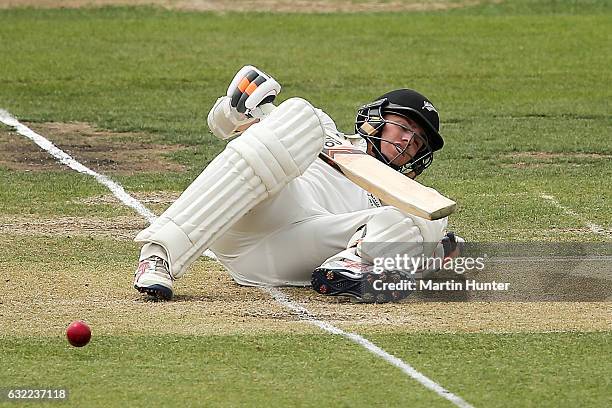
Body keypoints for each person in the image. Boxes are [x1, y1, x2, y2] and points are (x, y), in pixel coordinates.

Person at [133, 65, 461, 303]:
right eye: (403, 126)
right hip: (257, 215)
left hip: (300, 250)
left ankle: (355, 268)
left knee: (425, 212)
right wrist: (233, 108)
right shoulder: (324, 129)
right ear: (375, 118)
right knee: (302, 114)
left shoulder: (397, 196)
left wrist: (432, 246)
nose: (407, 140)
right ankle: (160, 255)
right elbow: (225, 126)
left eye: (417, 142)